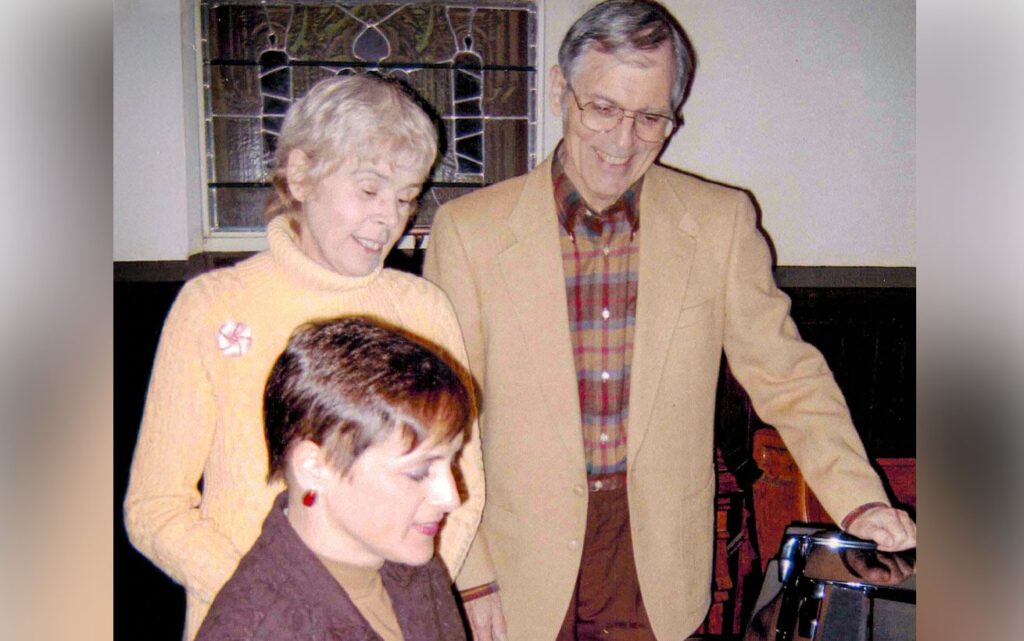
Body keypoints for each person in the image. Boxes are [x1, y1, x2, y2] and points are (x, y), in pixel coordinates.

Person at [423, 1, 916, 640]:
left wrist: (862, 497)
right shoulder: (469, 233)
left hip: (653, 558)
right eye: (602, 107)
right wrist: (471, 570)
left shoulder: (720, 222)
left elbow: (788, 377)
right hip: (516, 559)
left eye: (650, 116)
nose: (622, 142)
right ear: (558, 92)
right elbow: (441, 420)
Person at [124, 74, 484, 640]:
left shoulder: (423, 308)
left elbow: (461, 490)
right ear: (301, 174)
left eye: (405, 197)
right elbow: (154, 507)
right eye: (369, 190)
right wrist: (274, 603)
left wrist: (403, 604)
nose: (389, 218)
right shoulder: (213, 305)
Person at [195, 316, 471, 641]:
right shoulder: (257, 629)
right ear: (315, 467)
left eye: (451, 461)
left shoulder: (410, 560)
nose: (451, 497)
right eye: (418, 472)